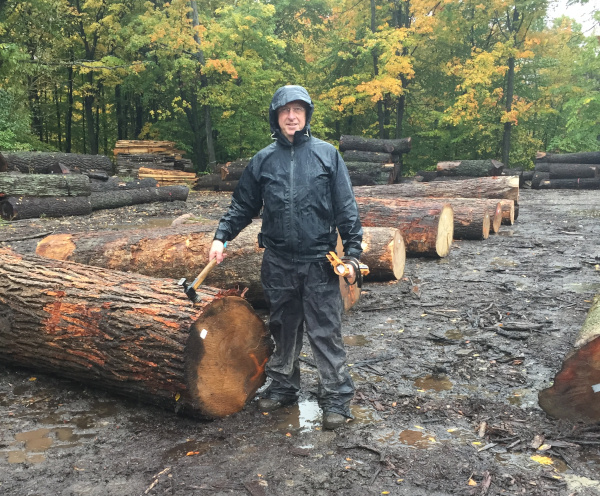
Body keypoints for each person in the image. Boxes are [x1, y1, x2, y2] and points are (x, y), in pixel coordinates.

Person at [208, 85, 362, 430]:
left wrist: (353, 253)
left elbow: (346, 208)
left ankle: (336, 398)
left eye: (298, 109)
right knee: (283, 328)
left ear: (307, 115)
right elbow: (242, 206)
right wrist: (221, 237)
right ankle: (283, 387)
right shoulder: (263, 160)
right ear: (275, 118)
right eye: (284, 110)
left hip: (319, 262)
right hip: (278, 261)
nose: (291, 116)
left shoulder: (327, 155)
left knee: (326, 332)